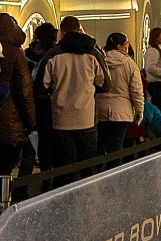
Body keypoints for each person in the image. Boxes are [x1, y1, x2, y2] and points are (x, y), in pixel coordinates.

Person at [35, 16, 110, 184]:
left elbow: (40, 88)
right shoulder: (93, 53)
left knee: (66, 170)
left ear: (61, 32)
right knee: (88, 169)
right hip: (87, 119)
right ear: (80, 29)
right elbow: (105, 84)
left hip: (61, 120)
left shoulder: (52, 55)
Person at [0, 14, 36, 205]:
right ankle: (10, 201)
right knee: (8, 168)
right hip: (11, 123)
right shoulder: (15, 53)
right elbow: (25, 91)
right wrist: (31, 121)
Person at [98, 32, 144, 168]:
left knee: (100, 144)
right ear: (120, 46)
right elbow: (136, 90)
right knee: (117, 144)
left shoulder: (99, 61)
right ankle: (113, 174)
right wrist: (139, 110)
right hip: (122, 110)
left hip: (100, 108)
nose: (128, 47)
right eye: (127, 44)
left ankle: (96, 174)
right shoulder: (130, 64)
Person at [25, 22, 59, 176]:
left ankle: (44, 170)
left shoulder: (27, 54)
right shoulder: (55, 55)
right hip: (51, 101)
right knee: (52, 138)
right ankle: (51, 172)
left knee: (40, 138)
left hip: (34, 101)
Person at [143, 27, 161, 119]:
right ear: (156, 37)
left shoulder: (157, 50)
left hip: (159, 83)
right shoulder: (153, 51)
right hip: (156, 84)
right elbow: (149, 67)